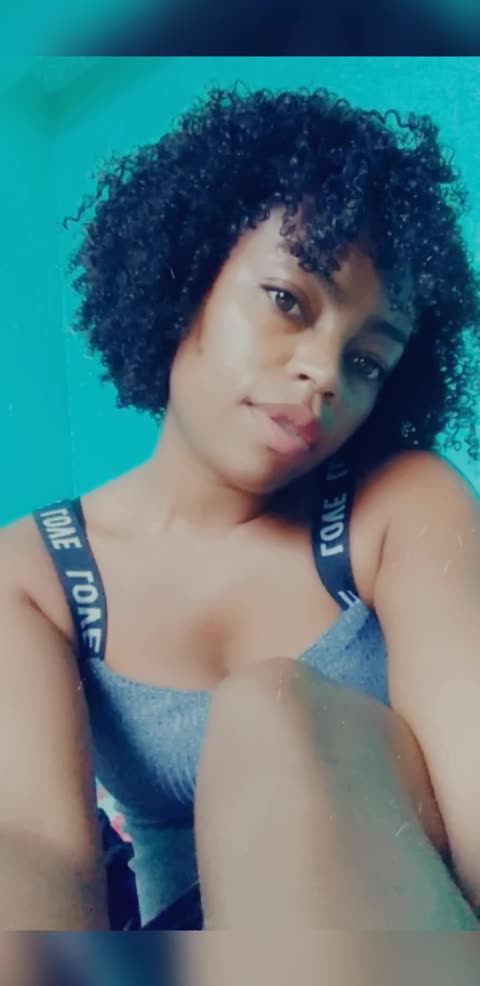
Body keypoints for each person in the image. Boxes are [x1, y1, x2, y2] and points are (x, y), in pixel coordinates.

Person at [0, 83, 479, 941]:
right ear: (185, 276)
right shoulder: (34, 574)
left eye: (368, 360)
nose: (325, 373)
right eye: (289, 300)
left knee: (270, 712)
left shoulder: (399, 505)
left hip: (411, 941)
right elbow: (34, 854)